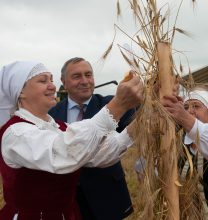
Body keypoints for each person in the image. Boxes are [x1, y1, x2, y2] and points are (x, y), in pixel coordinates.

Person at [0, 60, 143, 220]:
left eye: (51, 80)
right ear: (21, 92)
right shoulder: (16, 133)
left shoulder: (59, 127)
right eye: (43, 80)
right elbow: (64, 152)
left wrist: (145, 118)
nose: (52, 86)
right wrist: (119, 104)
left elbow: (102, 153)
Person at [49, 57, 135, 220]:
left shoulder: (113, 104)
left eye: (88, 75)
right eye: (77, 76)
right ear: (64, 82)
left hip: (107, 196)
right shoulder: (52, 114)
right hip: (68, 201)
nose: (85, 81)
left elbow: (144, 120)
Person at [162, 89, 208, 220]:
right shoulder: (177, 144)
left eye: (196, 106)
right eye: (186, 107)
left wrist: (184, 117)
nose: (190, 111)